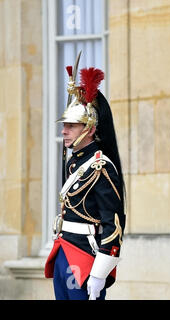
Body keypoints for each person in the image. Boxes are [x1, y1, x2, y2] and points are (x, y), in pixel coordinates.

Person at [44, 66, 126, 300]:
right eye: (64, 125)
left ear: (89, 129)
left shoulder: (101, 166)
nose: (64, 131)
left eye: (71, 126)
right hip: (64, 250)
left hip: (84, 255)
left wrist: (100, 273)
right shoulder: (75, 162)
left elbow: (114, 225)